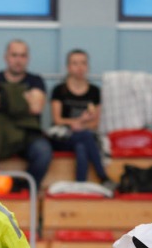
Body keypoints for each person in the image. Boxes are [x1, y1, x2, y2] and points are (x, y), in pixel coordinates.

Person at [0, 39, 53, 191]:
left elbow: (36, 107)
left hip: (28, 135)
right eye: (14, 55)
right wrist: (23, 97)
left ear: (28, 58)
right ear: (6, 57)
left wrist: (2, 95)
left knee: (43, 151)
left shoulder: (36, 80)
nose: (18, 60)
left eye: (22, 55)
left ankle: (25, 188)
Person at [48, 49, 114, 188]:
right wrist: (80, 121)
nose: (79, 67)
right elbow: (57, 120)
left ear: (88, 66)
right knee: (85, 137)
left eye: (83, 63)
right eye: (75, 63)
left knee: (81, 145)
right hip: (62, 136)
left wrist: (81, 126)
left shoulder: (94, 91)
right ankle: (103, 176)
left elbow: (95, 123)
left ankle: (80, 185)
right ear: (68, 67)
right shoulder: (59, 90)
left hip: (83, 135)